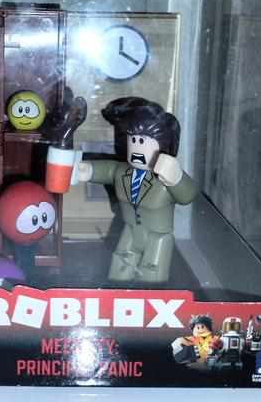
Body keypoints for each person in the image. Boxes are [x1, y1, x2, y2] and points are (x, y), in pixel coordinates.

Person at [77, 97, 196, 283]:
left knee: (152, 275)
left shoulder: (164, 179)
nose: (137, 147)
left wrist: (176, 178)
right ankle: (118, 292)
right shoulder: (123, 171)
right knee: (119, 268)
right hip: (130, 230)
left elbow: (187, 195)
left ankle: (152, 296)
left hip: (157, 236)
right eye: (133, 139)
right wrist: (88, 170)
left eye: (143, 140)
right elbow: (108, 169)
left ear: (164, 143)